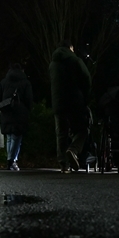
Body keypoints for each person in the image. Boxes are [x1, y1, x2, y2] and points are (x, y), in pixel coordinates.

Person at [49, 40, 91, 172]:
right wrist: (86, 99)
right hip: (75, 102)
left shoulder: (53, 64)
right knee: (82, 129)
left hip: (58, 103)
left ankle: (63, 164)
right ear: (71, 48)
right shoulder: (75, 61)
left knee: (61, 133)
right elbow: (86, 80)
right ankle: (73, 149)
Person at [0, 62, 34, 171]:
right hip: (20, 113)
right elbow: (29, 99)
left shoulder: (4, 81)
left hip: (6, 111)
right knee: (17, 137)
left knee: (9, 137)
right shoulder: (25, 82)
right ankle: (11, 160)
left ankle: (11, 160)